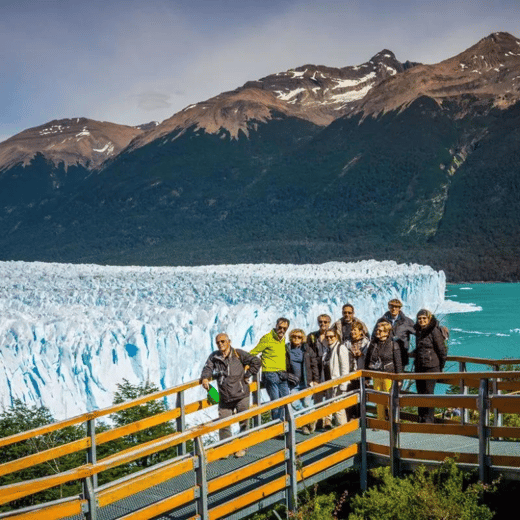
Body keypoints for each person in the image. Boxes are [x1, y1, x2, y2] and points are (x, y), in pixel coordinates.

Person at [200, 333, 261, 456]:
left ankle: (242, 447)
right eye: (218, 342)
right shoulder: (214, 357)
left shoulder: (238, 354)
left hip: (241, 395)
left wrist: (248, 375)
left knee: (243, 422)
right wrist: (205, 378)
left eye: (223, 341)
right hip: (224, 396)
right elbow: (207, 368)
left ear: (229, 341)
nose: (220, 344)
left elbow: (256, 362)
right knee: (224, 423)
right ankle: (226, 449)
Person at [250, 317, 290, 421]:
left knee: (286, 399)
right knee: (275, 400)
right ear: (276, 326)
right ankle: (277, 426)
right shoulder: (267, 338)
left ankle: (285, 424)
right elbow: (254, 352)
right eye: (280, 327)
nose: (282, 330)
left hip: (282, 373)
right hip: (270, 373)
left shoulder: (283, 339)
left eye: (284, 328)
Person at [414, 309, 447, 423]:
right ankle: (421, 419)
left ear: (429, 318)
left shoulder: (434, 330)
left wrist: (439, 367)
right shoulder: (419, 330)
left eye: (424, 318)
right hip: (420, 367)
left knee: (428, 393)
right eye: (419, 318)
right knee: (420, 393)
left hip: (431, 367)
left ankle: (429, 420)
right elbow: (420, 347)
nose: (422, 320)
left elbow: (442, 350)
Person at [365, 321, 403, 421]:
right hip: (377, 375)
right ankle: (380, 421)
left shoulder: (393, 344)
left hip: (389, 376)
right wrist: (367, 377)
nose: (378, 332)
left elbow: (398, 363)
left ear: (387, 332)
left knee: (390, 399)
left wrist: (399, 379)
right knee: (379, 400)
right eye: (377, 330)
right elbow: (368, 359)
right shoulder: (373, 344)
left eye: (381, 331)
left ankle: (393, 421)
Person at [286, 329, 319, 434]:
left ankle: (305, 426)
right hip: (293, 384)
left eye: (299, 337)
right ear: (291, 337)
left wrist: (315, 380)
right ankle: (309, 420)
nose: (296, 338)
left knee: (306, 403)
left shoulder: (307, 349)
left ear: (303, 338)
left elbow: (314, 365)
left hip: (306, 382)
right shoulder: (286, 349)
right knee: (294, 403)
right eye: (294, 336)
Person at [307, 314, 333, 428]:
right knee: (317, 395)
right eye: (321, 322)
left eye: (325, 322)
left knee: (329, 395)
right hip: (316, 370)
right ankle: (319, 418)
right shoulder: (312, 336)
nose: (323, 324)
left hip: (328, 369)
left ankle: (328, 419)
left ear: (329, 323)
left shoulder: (332, 335)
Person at [373, 299, 415, 368]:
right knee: (386, 378)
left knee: (399, 377)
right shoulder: (381, 321)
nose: (394, 309)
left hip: (401, 356)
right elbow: (374, 337)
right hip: (385, 358)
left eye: (396, 307)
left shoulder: (407, 321)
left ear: (400, 308)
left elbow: (419, 334)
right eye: (392, 306)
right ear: (389, 307)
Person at [323, 328, 351, 427]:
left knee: (339, 408)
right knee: (330, 404)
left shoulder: (340, 348)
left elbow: (345, 367)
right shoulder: (328, 349)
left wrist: (343, 384)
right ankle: (335, 426)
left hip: (338, 384)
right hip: (329, 383)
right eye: (327, 337)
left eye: (331, 336)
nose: (329, 338)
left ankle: (344, 429)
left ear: (336, 337)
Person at [344, 321, 371, 418]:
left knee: (362, 397)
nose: (352, 332)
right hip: (350, 374)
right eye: (351, 330)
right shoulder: (347, 343)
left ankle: (361, 418)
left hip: (362, 374)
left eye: (355, 330)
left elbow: (370, 358)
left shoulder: (366, 343)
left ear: (360, 331)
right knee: (350, 396)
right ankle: (351, 417)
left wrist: (362, 354)